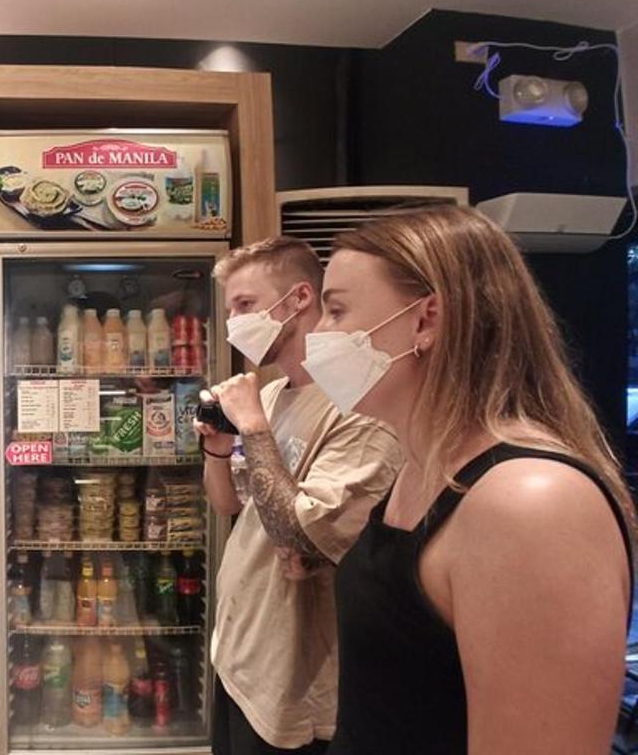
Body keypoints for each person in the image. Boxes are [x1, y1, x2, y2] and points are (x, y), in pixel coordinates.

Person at [311, 206, 636, 754]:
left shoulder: (531, 502)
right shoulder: (422, 465)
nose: (318, 335)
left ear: (426, 319)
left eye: (335, 311)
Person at [197, 236, 402, 755]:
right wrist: (219, 448)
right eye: (230, 311)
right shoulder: (268, 395)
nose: (234, 323)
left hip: (293, 684)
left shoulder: (359, 408)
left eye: (245, 305)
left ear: (299, 300)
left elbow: (300, 534)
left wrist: (252, 428)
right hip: (241, 653)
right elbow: (231, 507)